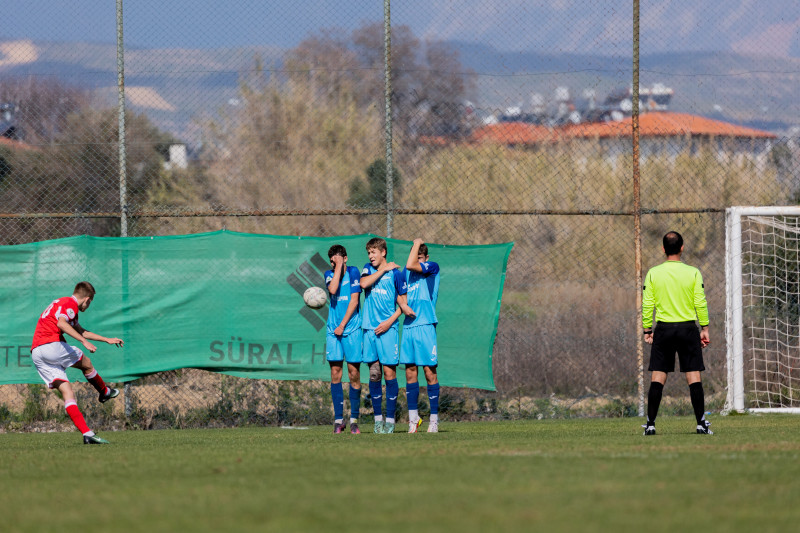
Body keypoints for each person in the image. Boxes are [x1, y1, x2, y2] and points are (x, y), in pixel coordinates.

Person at [30, 281, 124, 444]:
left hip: (37, 352)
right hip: (51, 344)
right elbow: (61, 324)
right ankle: (104, 391)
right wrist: (83, 342)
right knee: (86, 363)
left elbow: (82, 331)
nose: (89, 305)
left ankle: (87, 434)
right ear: (87, 299)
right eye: (90, 302)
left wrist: (106, 339)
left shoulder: (63, 304)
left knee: (67, 392)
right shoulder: (70, 303)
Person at [641, 231, 711, 436]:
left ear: (663, 249)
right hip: (688, 329)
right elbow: (700, 302)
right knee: (694, 376)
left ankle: (651, 425)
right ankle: (701, 424)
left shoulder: (653, 273)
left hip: (664, 330)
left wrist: (647, 329)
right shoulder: (693, 273)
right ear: (682, 248)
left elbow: (647, 303)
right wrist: (704, 328)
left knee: (657, 377)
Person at [360, 237, 414, 434]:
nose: (370, 256)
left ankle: (390, 421)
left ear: (383, 252)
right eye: (369, 253)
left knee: (390, 374)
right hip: (369, 329)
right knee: (374, 374)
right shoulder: (368, 269)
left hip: (388, 329)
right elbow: (364, 284)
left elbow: (403, 304)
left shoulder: (397, 274)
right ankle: (378, 421)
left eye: (373, 252)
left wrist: (389, 322)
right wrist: (382, 270)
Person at [401, 239, 441, 433]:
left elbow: (411, 264)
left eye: (420, 257)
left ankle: (434, 420)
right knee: (410, 372)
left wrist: (416, 242)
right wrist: (403, 305)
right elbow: (399, 294)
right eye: (415, 256)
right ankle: (413, 419)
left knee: (429, 372)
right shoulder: (406, 273)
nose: (417, 260)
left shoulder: (432, 267)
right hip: (409, 326)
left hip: (425, 324)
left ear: (426, 258)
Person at [324, 244, 363, 435]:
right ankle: (338, 420)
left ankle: (354, 420)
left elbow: (354, 301)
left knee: (354, 373)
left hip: (351, 329)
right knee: (335, 373)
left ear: (346, 258)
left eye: (338, 260)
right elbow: (332, 290)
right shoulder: (329, 274)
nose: (333, 263)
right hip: (333, 331)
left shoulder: (354, 272)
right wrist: (337, 266)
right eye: (332, 261)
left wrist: (343, 325)